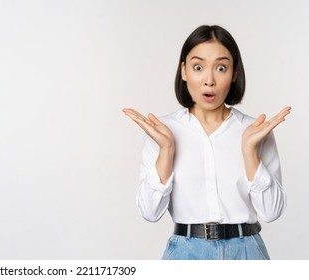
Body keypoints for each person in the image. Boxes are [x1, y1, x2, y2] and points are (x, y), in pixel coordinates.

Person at [122, 25, 291, 260]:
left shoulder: (255, 132)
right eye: (198, 67)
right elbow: (150, 213)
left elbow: (271, 212)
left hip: (246, 252)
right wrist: (167, 150)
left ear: (233, 73)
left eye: (221, 68)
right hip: (186, 253)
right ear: (184, 71)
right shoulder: (162, 132)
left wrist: (250, 151)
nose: (209, 80)